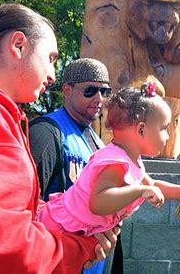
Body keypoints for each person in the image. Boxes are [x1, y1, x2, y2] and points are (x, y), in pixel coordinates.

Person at [0, 3, 117, 273]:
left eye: (105, 91)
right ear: (18, 45)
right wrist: (78, 247)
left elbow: (14, 216)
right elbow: (2, 252)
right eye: (51, 58)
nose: (52, 75)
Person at [37, 81, 180, 237]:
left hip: (72, 231)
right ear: (141, 130)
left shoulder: (132, 159)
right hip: (57, 228)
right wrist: (140, 191)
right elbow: (98, 203)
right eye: (164, 128)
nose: (167, 136)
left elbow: (152, 185)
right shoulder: (115, 162)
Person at [29, 57, 121, 274]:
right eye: (90, 90)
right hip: (56, 261)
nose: (99, 98)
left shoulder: (97, 142)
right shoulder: (45, 132)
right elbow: (27, 204)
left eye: (105, 92)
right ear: (67, 90)